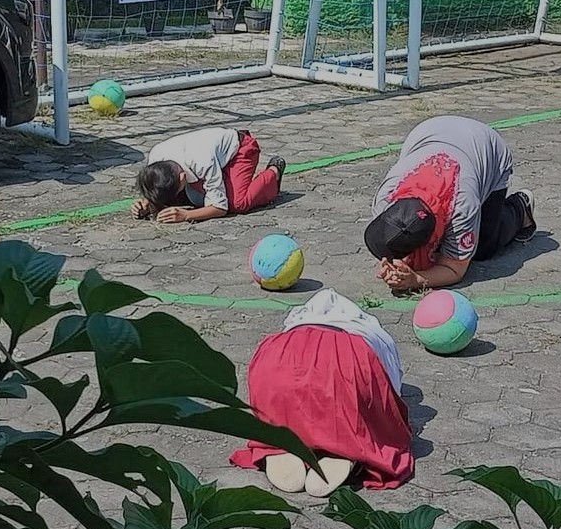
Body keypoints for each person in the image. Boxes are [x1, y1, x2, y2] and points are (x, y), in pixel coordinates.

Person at [229, 289, 414, 497]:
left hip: (278, 360)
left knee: (282, 399)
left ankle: (277, 445)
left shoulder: (289, 328)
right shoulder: (372, 332)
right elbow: (389, 387)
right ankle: (345, 450)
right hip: (345, 365)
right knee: (352, 413)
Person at [365, 116, 536, 292]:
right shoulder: (387, 196)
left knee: (483, 249)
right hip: (430, 131)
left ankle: (520, 209)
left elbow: (455, 270)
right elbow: (391, 235)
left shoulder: (463, 206)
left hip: (487, 146)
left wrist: (415, 279)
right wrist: (394, 263)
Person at [132, 127, 285, 224]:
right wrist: (148, 201)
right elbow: (155, 183)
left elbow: (220, 207)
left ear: (182, 178)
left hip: (240, 150)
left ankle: (272, 173)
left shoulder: (202, 160)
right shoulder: (156, 155)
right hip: (212, 160)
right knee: (186, 198)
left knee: (237, 203)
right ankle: (242, 182)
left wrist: (187, 215)